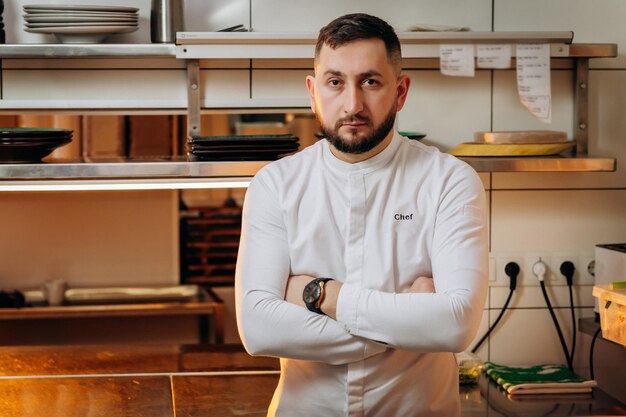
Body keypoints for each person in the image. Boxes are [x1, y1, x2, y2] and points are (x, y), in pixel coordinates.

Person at [235, 13, 488, 417]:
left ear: (401, 91)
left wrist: (320, 294)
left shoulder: (450, 181)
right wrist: (409, 324)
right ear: (313, 91)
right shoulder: (275, 185)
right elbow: (258, 329)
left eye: (370, 81)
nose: (353, 104)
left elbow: (456, 325)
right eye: (335, 82)